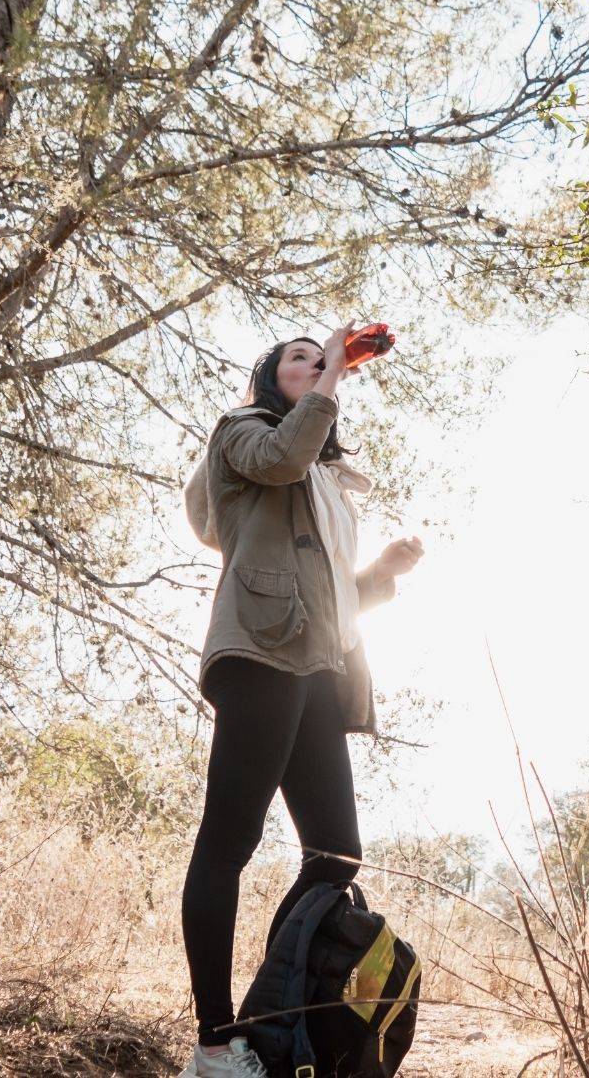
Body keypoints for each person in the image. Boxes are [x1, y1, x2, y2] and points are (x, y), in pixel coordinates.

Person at [177, 323, 425, 1078]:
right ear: (268, 375)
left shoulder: (322, 482)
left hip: (318, 669)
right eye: (300, 358)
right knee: (230, 841)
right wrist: (337, 367)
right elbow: (283, 457)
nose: (317, 366)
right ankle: (215, 1045)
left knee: (336, 854)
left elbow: (330, 601)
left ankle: (267, 1029)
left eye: (322, 362)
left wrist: (381, 572)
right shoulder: (245, 432)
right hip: (259, 655)